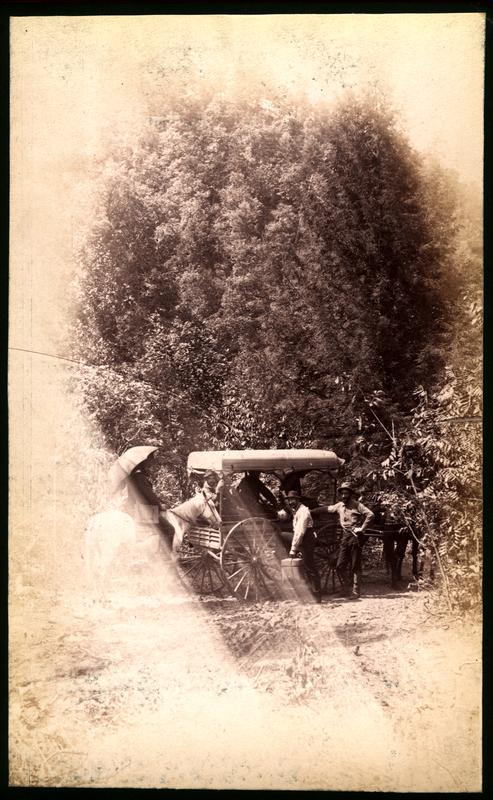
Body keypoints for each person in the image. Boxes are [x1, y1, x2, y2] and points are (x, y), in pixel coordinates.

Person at [324, 481, 374, 597]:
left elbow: (370, 514)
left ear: (350, 494)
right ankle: (346, 588)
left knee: (355, 565)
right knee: (339, 565)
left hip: (355, 538)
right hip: (345, 538)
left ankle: (356, 591)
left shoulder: (357, 505)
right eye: (342, 493)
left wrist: (362, 528)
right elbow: (328, 509)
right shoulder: (339, 506)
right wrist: (310, 511)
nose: (344, 496)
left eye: (346, 493)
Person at [285, 490, 322, 603]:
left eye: (292, 500)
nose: (290, 502)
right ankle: (309, 592)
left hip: (307, 538)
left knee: (309, 566)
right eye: (289, 500)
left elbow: (299, 532)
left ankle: (317, 595)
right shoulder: (296, 511)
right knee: (305, 566)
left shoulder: (303, 511)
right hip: (304, 537)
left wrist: (293, 549)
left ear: (297, 500)